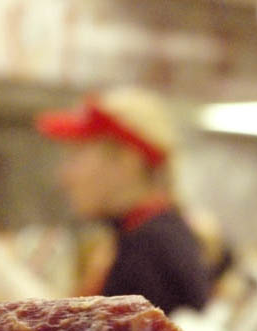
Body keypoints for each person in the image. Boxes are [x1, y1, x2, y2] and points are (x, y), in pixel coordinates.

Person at [37, 86, 211, 314]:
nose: (64, 177)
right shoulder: (143, 234)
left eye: (76, 155)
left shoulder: (150, 250)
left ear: (127, 160)